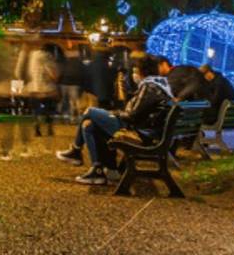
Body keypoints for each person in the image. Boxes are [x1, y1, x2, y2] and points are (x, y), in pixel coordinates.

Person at [55, 54, 174, 185]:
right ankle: (100, 170)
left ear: (143, 71)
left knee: (90, 111)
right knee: (89, 125)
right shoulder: (158, 85)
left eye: (135, 70)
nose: (134, 74)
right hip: (146, 132)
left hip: (139, 134)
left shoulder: (150, 87)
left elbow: (132, 116)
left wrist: (114, 113)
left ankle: (77, 151)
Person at [57, 48, 83, 121]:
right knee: (75, 101)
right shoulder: (79, 63)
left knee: (63, 100)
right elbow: (81, 73)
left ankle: (63, 115)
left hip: (64, 83)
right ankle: (76, 115)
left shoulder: (64, 62)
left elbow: (60, 71)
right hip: (75, 84)